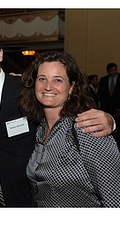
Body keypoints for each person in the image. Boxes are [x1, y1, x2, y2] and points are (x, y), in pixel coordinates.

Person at [0, 24, 114, 207]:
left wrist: (111, 121)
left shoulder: (27, 89)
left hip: (25, 199)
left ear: (0, 54)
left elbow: (62, 105)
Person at [18, 51, 120, 207]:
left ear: (71, 87)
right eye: (42, 79)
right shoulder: (40, 130)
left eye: (57, 80)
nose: (48, 87)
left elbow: (114, 199)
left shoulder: (87, 129)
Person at [97, 63, 120, 146]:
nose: (113, 72)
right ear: (108, 72)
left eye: (115, 70)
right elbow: (100, 95)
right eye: (111, 71)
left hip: (118, 110)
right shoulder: (103, 80)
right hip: (106, 110)